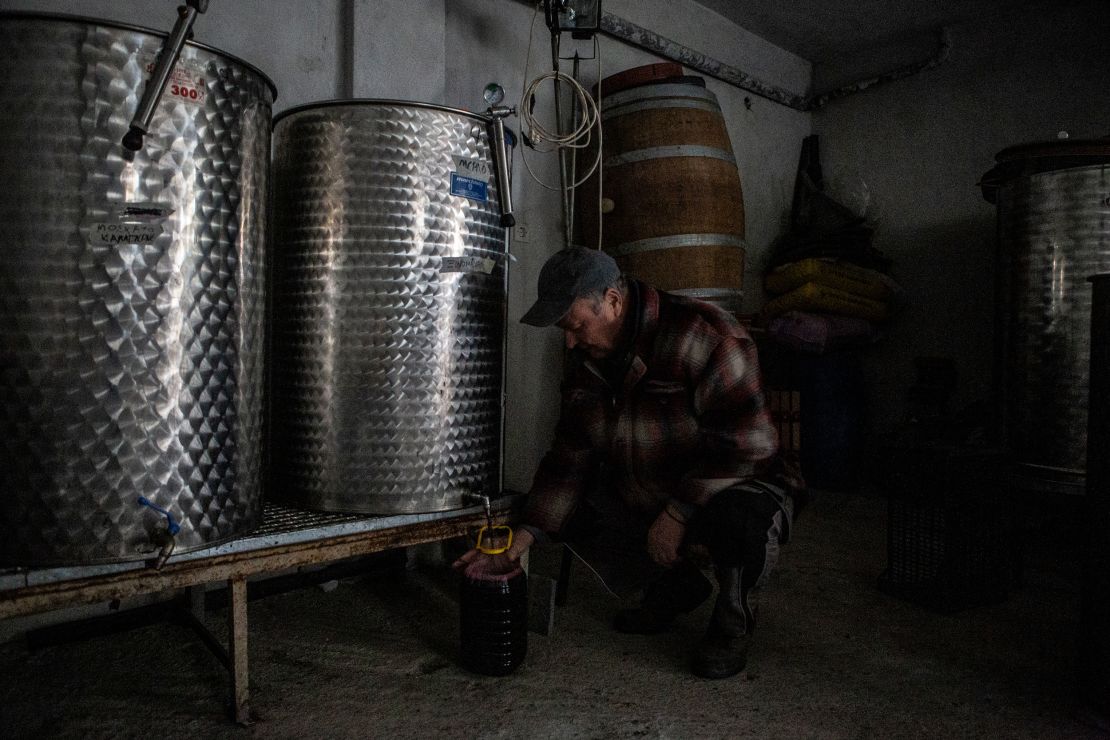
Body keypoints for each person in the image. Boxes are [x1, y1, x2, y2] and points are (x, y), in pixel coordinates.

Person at [454, 247, 803, 679]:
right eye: (564, 330)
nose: (569, 341)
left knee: (742, 520)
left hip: (736, 482)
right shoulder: (587, 360)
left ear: (613, 302)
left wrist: (678, 513)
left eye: (576, 325)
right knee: (571, 511)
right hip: (650, 483)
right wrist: (522, 539)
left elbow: (749, 445)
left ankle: (731, 627)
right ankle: (674, 586)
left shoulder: (706, 335)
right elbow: (570, 456)